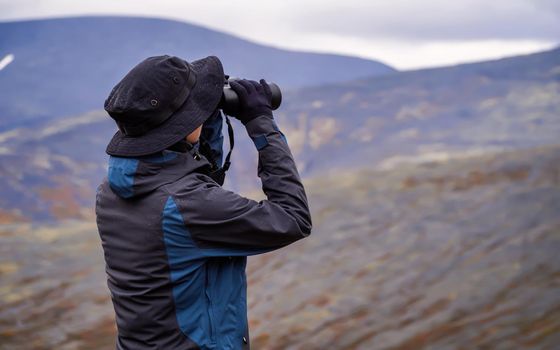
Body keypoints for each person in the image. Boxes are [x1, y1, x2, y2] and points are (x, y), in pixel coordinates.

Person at [95, 55, 312, 350]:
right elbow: (293, 218)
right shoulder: (187, 204)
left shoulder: (111, 190)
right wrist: (261, 123)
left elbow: (200, 183)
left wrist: (204, 118)